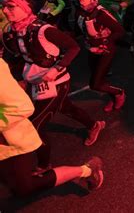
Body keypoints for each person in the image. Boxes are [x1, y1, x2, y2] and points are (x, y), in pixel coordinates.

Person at [1, 0, 106, 171]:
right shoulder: (10, 30)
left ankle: (43, 166)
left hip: (56, 82)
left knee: (35, 126)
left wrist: (56, 68)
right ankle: (94, 124)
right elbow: (15, 56)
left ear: (26, 8)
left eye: (11, 6)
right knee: (66, 108)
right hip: (34, 81)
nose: (5, 11)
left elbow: (73, 47)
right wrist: (18, 78)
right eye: (3, 6)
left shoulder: (44, 29)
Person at [0, 58, 104, 197]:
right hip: (39, 87)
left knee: (24, 187)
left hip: (11, 140)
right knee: (66, 109)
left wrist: (55, 69)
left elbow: (22, 106)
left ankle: (86, 170)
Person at [76, 0, 126, 113]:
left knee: (95, 84)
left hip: (105, 51)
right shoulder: (81, 10)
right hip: (91, 50)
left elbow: (120, 31)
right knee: (100, 79)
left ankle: (119, 93)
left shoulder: (101, 13)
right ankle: (113, 98)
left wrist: (105, 41)